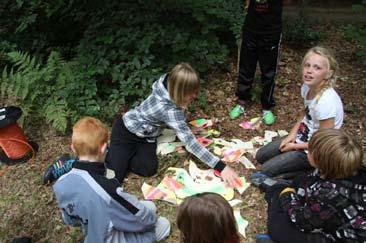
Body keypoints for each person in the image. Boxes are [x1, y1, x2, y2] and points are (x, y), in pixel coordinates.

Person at [107, 63, 240, 188]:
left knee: (148, 169)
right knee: (114, 177)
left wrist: (186, 126)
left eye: (195, 91)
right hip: (126, 131)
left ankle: (123, 155)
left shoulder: (168, 81)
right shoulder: (169, 110)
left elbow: (176, 118)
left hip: (147, 135)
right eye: (191, 92)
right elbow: (190, 143)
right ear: (179, 91)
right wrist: (220, 166)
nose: (195, 95)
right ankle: (112, 152)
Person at [53, 117, 171, 243]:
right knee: (163, 224)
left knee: (149, 206)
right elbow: (139, 217)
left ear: (73, 148)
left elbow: (68, 218)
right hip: (112, 238)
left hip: (93, 229)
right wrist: (152, 220)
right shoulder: (107, 188)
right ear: (104, 148)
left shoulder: (61, 183)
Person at [252, 46, 344, 180]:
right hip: (302, 137)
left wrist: (294, 146)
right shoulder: (307, 87)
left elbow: (323, 141)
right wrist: (292, 135)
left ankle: (313, 171)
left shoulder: (326, 102)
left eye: (317, 68)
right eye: (307, 66)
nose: (309, 71)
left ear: (328, 74)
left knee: (266, 170)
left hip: (315, 150)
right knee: (261, 156)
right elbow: (305, 114)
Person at [263, 129, 365, 243]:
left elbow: (301, 221)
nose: (307, 150)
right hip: (332, 217)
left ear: (320, 160)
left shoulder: (332, 193)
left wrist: (286, 195)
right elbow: (308, 179)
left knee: (279, 227)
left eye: (310, 150)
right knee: (296, 182)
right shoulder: (341, 170)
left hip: (343, 237)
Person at [232, 0, 283, 125]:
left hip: (271, 31)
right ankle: (242, 101)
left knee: (269, 71)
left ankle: (267, 107)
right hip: (251, 29)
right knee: (246, 67)